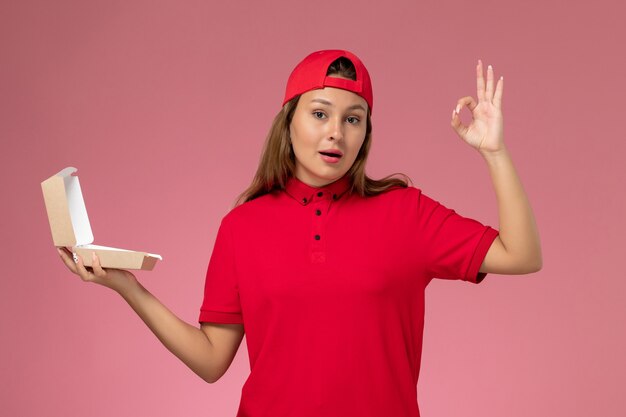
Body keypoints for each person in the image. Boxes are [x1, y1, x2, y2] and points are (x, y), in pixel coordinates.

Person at [57, 49, 542, 417]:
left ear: (365, 134)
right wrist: (128, 287)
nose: (336, 132)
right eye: (320, 113)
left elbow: (521, 254)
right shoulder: (242, 227)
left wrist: (494, 153)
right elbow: (210, 361)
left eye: (353, 119)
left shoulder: (405, 212)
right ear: (288, 122)